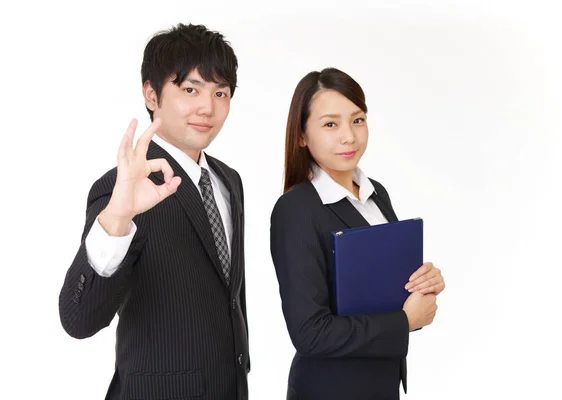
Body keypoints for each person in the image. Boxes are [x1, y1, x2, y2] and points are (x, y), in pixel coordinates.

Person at [58, 23, 249, 400]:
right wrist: (117, 218)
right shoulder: (123, 187)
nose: (207, 107)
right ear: (151, 93)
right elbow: (78, 319)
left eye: (220, 92)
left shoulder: (229, 180)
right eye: (190, 89)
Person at [270, 67, 445, 400]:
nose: (348, 136)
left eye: (358, 120)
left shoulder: (375, 193)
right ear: (302, 135)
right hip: (329, 390)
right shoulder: (297, 209)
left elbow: (384, 298)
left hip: (379, 386)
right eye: (330, 124)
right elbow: (309, 333)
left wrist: (422, 285)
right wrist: (403, 321)